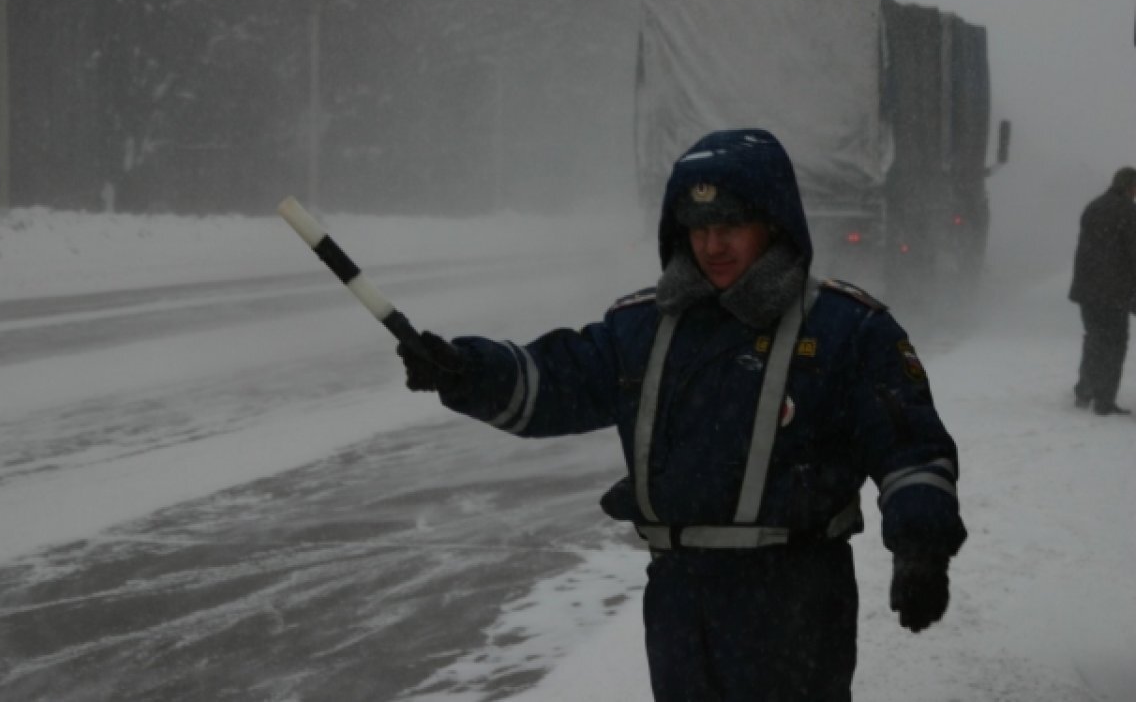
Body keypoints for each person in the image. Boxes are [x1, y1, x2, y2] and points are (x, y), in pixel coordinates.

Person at [398, 129, 967, 701]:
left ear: (774, 225)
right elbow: (555, 382)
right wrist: (465, 371)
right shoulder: (642, 328)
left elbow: (910, 448)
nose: (712, 245)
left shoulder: (846, 329)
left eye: (730, 227)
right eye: (699, 229)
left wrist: (922, 547)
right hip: (678, 601)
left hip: (797, 599)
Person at [1068, 166, 1136, 415]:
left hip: (1088, 290)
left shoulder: (1094, 206)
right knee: (1115, 343)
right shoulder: (1129, 212)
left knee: (1094, 339)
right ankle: (1105, 400)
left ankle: (1085, 391)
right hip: (1114, 291)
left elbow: (1085, 249)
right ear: (1131, 187)